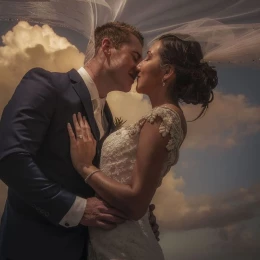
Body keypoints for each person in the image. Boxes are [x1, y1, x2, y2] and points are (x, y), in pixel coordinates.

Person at [0, 22, 159, 260]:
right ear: (107, 47)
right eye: (134, 56)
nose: (139, 68)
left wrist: (137, 215)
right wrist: (77, 209)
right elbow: (10, 158)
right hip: (31, 247)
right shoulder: (46, 85)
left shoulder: (110, 120)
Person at [67, 34, 218, 259]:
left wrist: (85, 167)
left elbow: (136, 203)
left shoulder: (163, 118)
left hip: (123, 249)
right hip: (112, 241)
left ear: (167, 72)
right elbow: (140, 195)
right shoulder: (161, 117)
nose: (138, 66)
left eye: (147, 57)